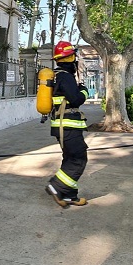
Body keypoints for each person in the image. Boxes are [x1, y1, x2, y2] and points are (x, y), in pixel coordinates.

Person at [44, 41, 90, 207]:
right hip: (68, 126)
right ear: (71, 57)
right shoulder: (65, 76)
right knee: (79, 159)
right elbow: (76, 100)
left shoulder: (58, 75)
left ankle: (70, 195)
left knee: (70, 158)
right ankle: (55, 186)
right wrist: (84, 91)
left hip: (62, 126)